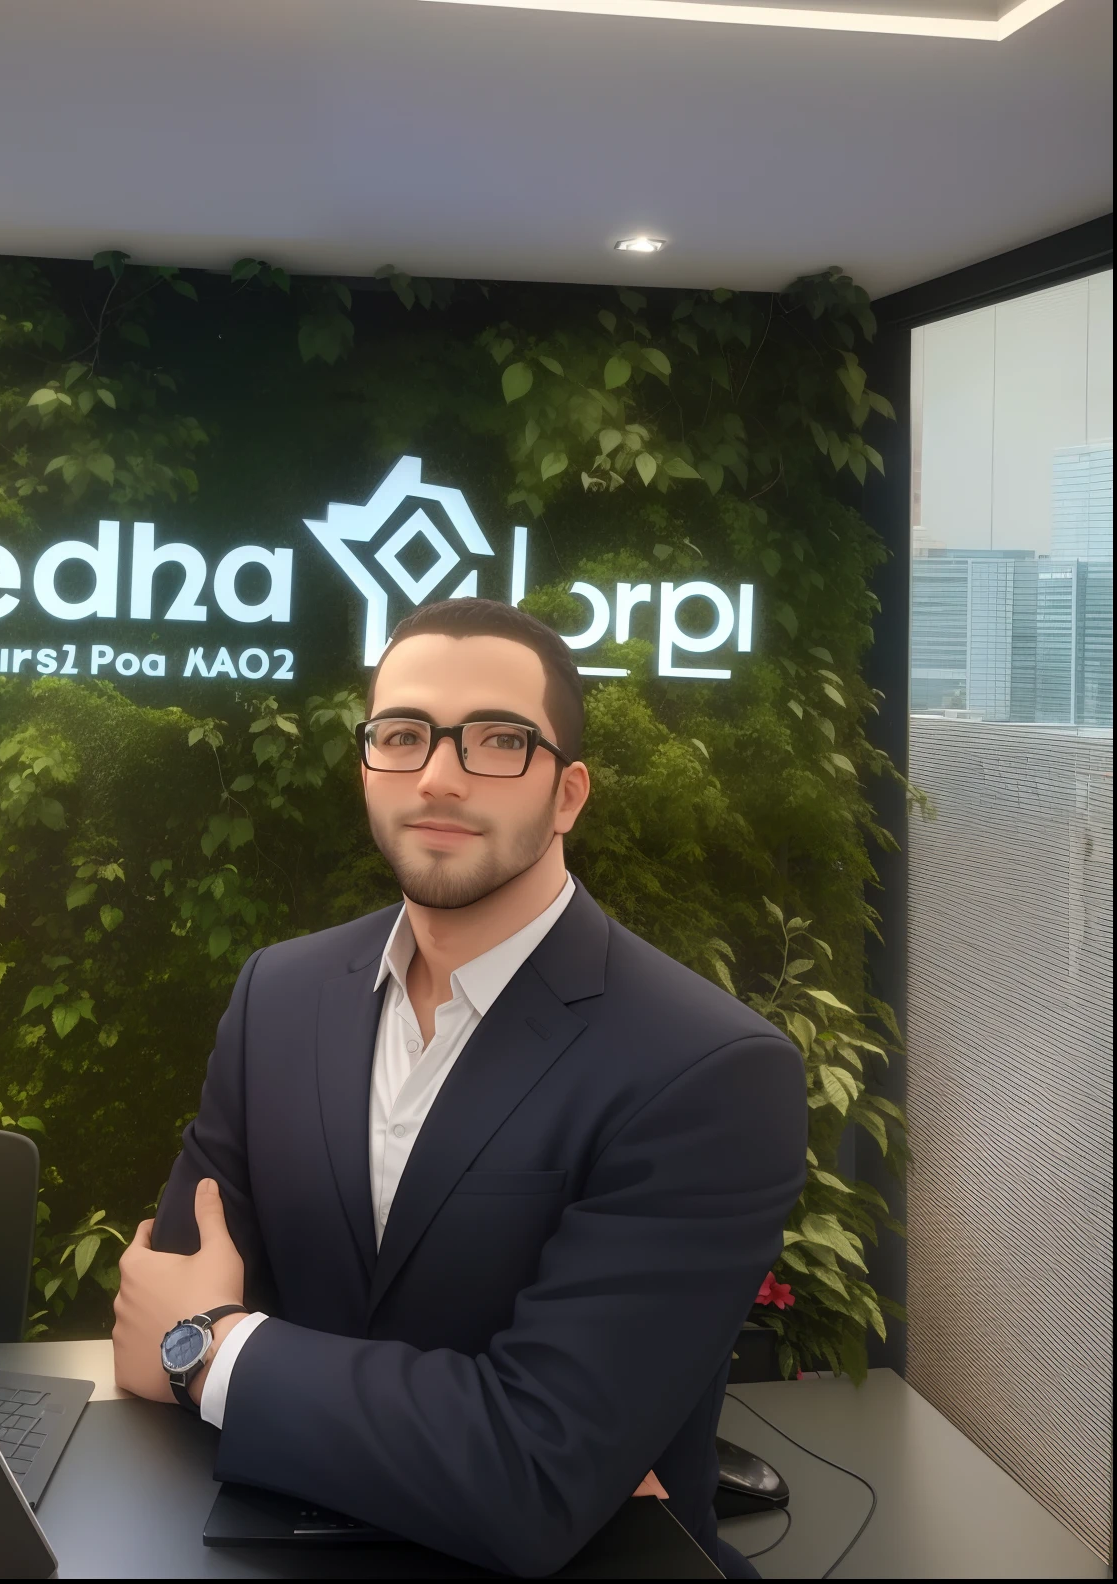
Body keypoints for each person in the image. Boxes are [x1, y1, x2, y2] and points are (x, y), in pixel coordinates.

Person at [111, 596, 807, 1578]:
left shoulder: (705, 1070)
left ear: (567, 794)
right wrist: (204, 1347)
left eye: (496, 740)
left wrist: (217, 1353)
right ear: (366, 765)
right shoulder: (282, 994)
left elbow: (533, 1473)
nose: (437, 774)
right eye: (402, 735)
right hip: (274, 1546)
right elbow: (153, 1325)